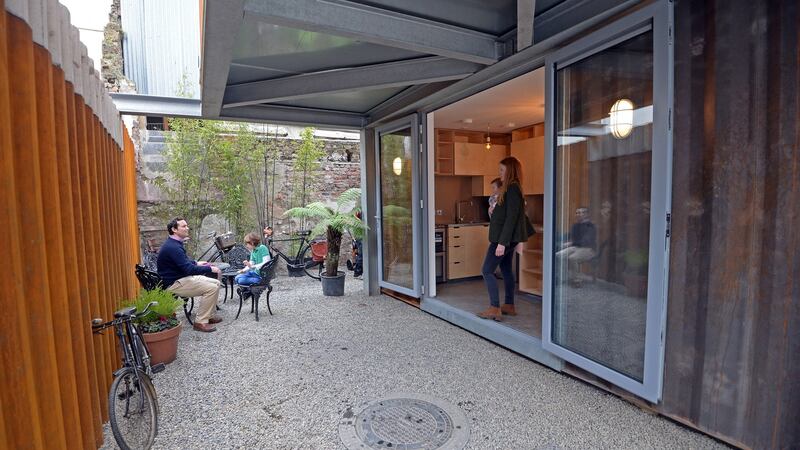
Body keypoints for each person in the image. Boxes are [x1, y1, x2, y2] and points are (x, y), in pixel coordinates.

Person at [478, 157, 534, 321]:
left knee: (487, 270)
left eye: (502, 170)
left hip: (502, 239)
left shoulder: (512, 189)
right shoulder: (510, 188)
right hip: (505, 239)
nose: (499, 173)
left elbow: (511, 218)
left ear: (510, 170)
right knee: (506, 270)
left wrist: (502, 243)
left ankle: (495, 307)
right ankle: (509, 305)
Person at [157, 218, 222, 332]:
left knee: (216, 283)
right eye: (183, 226)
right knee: (211, 288)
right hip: (174, 283)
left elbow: (183, 262)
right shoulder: (173, 247)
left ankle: (209, 315)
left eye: (186, 225)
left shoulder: (174, 243)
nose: (187, 228)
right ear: (174, 229)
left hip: (181, 278)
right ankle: (200, 322)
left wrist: (196, 263)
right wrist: (210, 268)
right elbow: (188, 269)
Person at [556, 207, 597, 286]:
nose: (580, 214)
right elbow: (571, 236)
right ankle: (562, 278)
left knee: (572, 258)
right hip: (576, 247)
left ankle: (577, 280)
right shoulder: (575, 225)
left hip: (589, 249)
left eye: (582, 212)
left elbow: (586, 241)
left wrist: (571, 243)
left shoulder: (590, 226)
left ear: (587, 214)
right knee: (558, 255)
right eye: (578, 213)